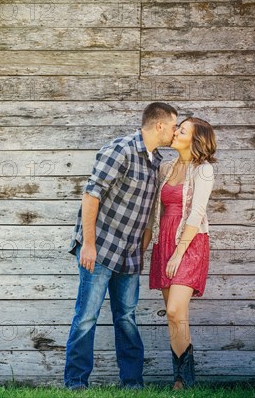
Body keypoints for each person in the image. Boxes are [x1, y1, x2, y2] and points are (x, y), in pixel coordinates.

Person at [64, 102, 179, 390]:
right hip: (100, 248)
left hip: (128, 254)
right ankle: (76, 383)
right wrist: (88, 245)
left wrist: (144, 241)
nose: (176, 131)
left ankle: (132, 383)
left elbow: (148, 207)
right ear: (160, 125)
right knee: (87, 316)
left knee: (126, 317)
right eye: (174, 126)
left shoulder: (155, 161)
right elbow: (91, 195)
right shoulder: (121, 149)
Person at [146, 117, 217, 390]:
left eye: (182, 130)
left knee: (176, 309)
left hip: (188, 243)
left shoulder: (204, 170)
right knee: (174, 316)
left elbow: (197, 213)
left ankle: (185, 377)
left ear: (195, 140)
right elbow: (155, 210)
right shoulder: (165, 167)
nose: (176, 132)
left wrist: (177, 254)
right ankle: (182, 380)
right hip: (164, 240)